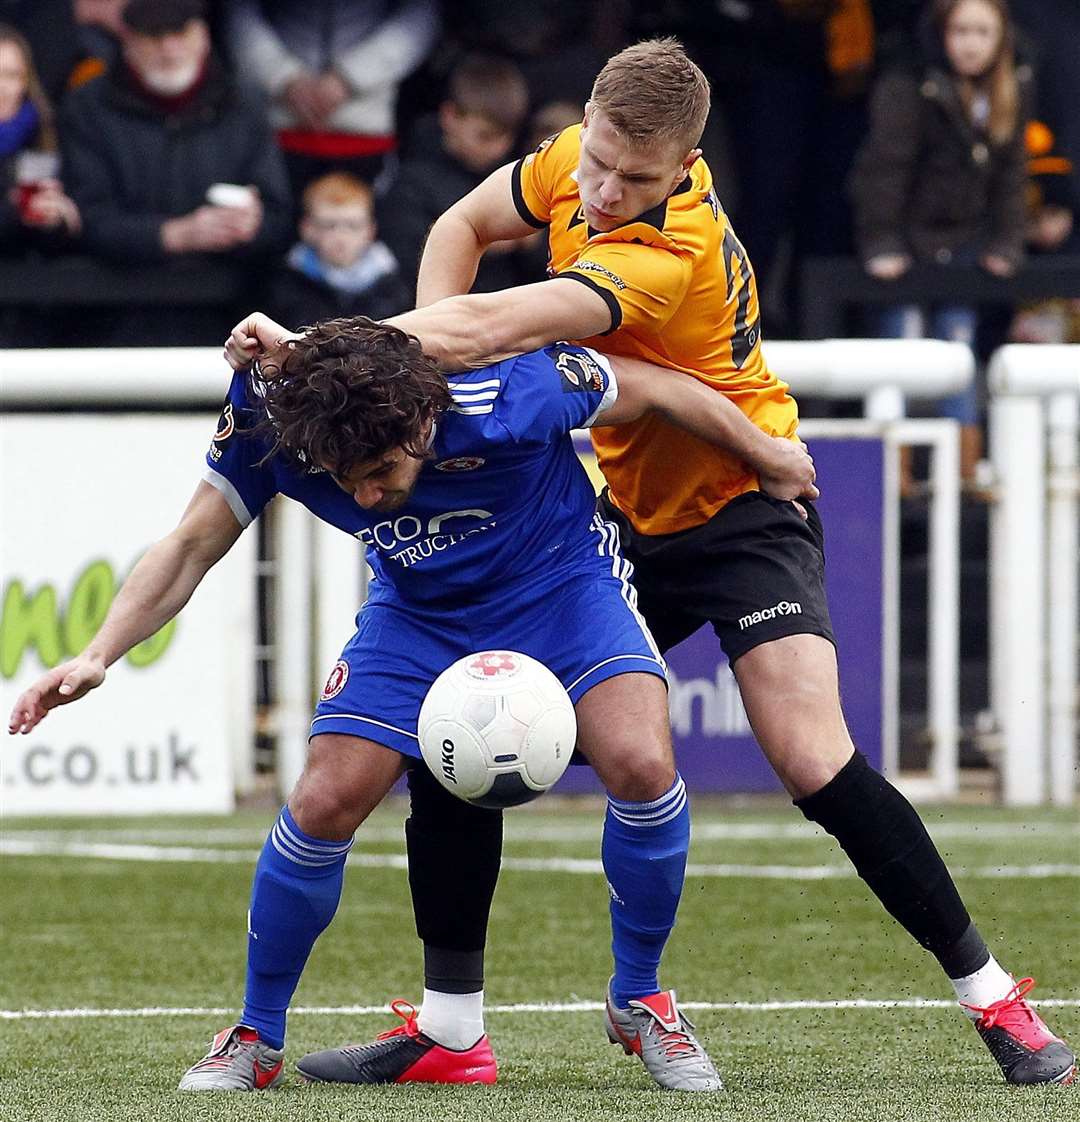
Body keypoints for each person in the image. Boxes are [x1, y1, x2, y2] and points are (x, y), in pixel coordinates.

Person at [237, 38, 1072, 1089]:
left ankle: (995, 1001)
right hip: (623, 516)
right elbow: (461, 225)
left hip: (742, 506)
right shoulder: (576, 159)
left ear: (684, 167)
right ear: (586, 126)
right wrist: (418, 403)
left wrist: (323, 354)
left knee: (814, 758)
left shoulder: (664, 252)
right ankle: (452, 1031)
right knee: (462, 707)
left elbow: (492, 324)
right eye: (597, 165)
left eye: (636, 178)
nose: (604, 190)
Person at [9, 315, 818, 1093]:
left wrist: (767, 455)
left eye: (377, 475)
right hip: (418, 611)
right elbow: (191, 542)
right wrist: (96, 654)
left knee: (642, 761)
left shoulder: (510, 394)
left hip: (563, 585)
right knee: (323, 798)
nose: (361, 499)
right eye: (341, 481)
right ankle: (255, 1036)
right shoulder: (275, 417)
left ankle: (639, 1000)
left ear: (424, 426)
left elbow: (655, 386)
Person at [850, 0, 1031, 483]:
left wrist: (1009, 243)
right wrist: (882, 242)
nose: (971, 43)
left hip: (966, 247)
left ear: (1001, 38)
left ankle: (963, 479)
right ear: (941, 34)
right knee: (903, 348)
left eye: (983, 32)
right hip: (906, 244)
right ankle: (898, 480)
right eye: (961, 30)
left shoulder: (1010, 89)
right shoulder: (908, 85)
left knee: (959, 345)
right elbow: (884, 170)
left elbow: (1013, 176)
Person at [59, 0, 291, 343]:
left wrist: (251, 226)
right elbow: (85, 218)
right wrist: (176, 234)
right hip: (113, 316)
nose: (169, 49)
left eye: (180, 32)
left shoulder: (245, 104)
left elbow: (280, 215)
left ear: (204, 36)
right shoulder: (87, 108)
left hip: (228, 317)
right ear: (128, 40)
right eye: (154, 35)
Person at [224, 0, 440, 198]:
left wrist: (349, 77)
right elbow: (238, 12)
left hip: (367, 132)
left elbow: (420, 15)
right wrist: (283, 76)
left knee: (355, 230)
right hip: (276, 128)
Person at [378, 52, 534, 295]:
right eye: (484, 136)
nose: (498, 148)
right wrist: (472, 241)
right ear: (450, 117)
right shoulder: (410, 183)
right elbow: (405, 264)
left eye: (508, 137)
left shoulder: (516, 176)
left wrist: (532, 242)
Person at [266, 171, 410, 326]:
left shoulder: (392, 289)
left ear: (371, 230)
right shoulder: (286, 287)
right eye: (329, 225)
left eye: (353, 225)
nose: (341, 236)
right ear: (307, 228)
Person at [0, 23, 81, 252]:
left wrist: (57, 222)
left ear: (25, 82)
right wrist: (13, 211)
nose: (2, 87)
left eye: (12, 75)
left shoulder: (47, 135)